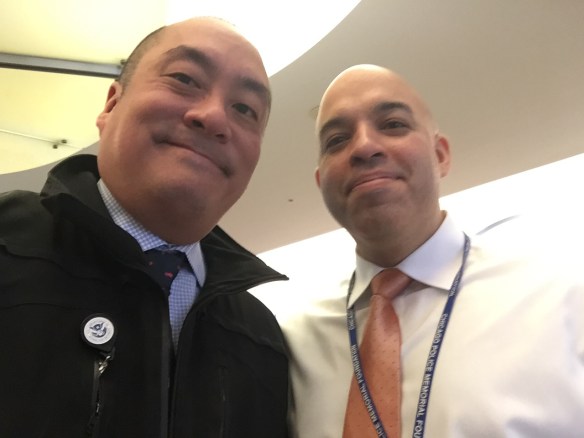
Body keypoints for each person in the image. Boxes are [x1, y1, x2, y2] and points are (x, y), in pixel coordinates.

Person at [0, 17, 289, 438]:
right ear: (112, 104)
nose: (213, 117)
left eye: (245, 109)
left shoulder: (261, 337)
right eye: (184, 79)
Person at [278, 64, 584, 437]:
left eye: (393, 124)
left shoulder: (563, 296)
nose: (364, 146)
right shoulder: (290, 343)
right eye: (337, 140)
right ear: (321, 181)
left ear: (440, 155)